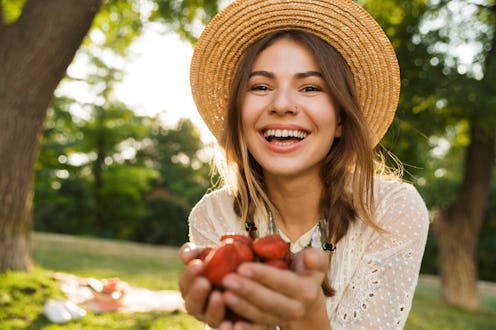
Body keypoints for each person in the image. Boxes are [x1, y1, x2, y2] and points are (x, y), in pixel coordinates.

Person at [179, 0, 429, 329]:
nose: (282, 104)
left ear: (340, 119)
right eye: (260, 87)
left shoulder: (391, 211)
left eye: (310, 87)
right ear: (239, 116)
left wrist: (308, 318)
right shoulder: (213, 217)